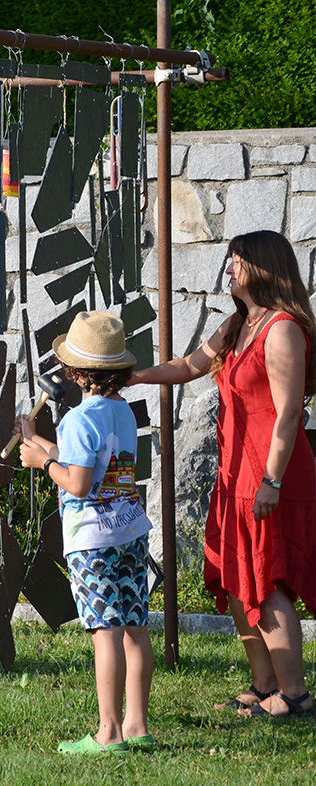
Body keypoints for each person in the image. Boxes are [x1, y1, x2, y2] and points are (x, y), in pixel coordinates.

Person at [128, 230, 316, 718]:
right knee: (236, 578)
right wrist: (134, 376)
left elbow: (288, 415)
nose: (229, 267)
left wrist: (272, 481)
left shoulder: (281, 329)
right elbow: (189, 366)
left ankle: (294, 695)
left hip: (271, 475)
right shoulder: (238, 324)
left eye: (237, 260)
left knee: (266, 581)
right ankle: (264, 684)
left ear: (262, 266)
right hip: (235, 477)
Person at [17, 310, 155, 754]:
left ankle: (108, 733)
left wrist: (43, 463)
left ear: (75, 371)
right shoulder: (122, 412)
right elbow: (94, 463)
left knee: (105, 632)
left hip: (92, 542)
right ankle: (137, 727)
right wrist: (39, 443)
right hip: (129, 531)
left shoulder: (77, 419)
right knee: (135, 628)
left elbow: (77, 482)